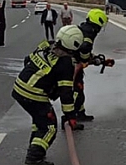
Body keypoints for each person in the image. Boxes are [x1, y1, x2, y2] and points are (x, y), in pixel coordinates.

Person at [12, 25, 82, 165]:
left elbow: (27, 60)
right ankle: (34, 160)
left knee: (39, 123)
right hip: (34, 94)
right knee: (49, 127)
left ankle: (35, 151)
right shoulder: (65, 63)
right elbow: (65, 93)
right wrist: (71, 117)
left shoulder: (46, 45)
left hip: (19, 88)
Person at [73, 8, 112, 122]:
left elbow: (84, 50)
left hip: (74, 62)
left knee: (79, 89)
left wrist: (96, 59)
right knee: (77, 90)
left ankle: (80, 113)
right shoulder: (90, 33)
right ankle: (72, 115)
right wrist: (90, 60)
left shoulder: (85, 28)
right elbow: (85, 50)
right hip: (73, 65)